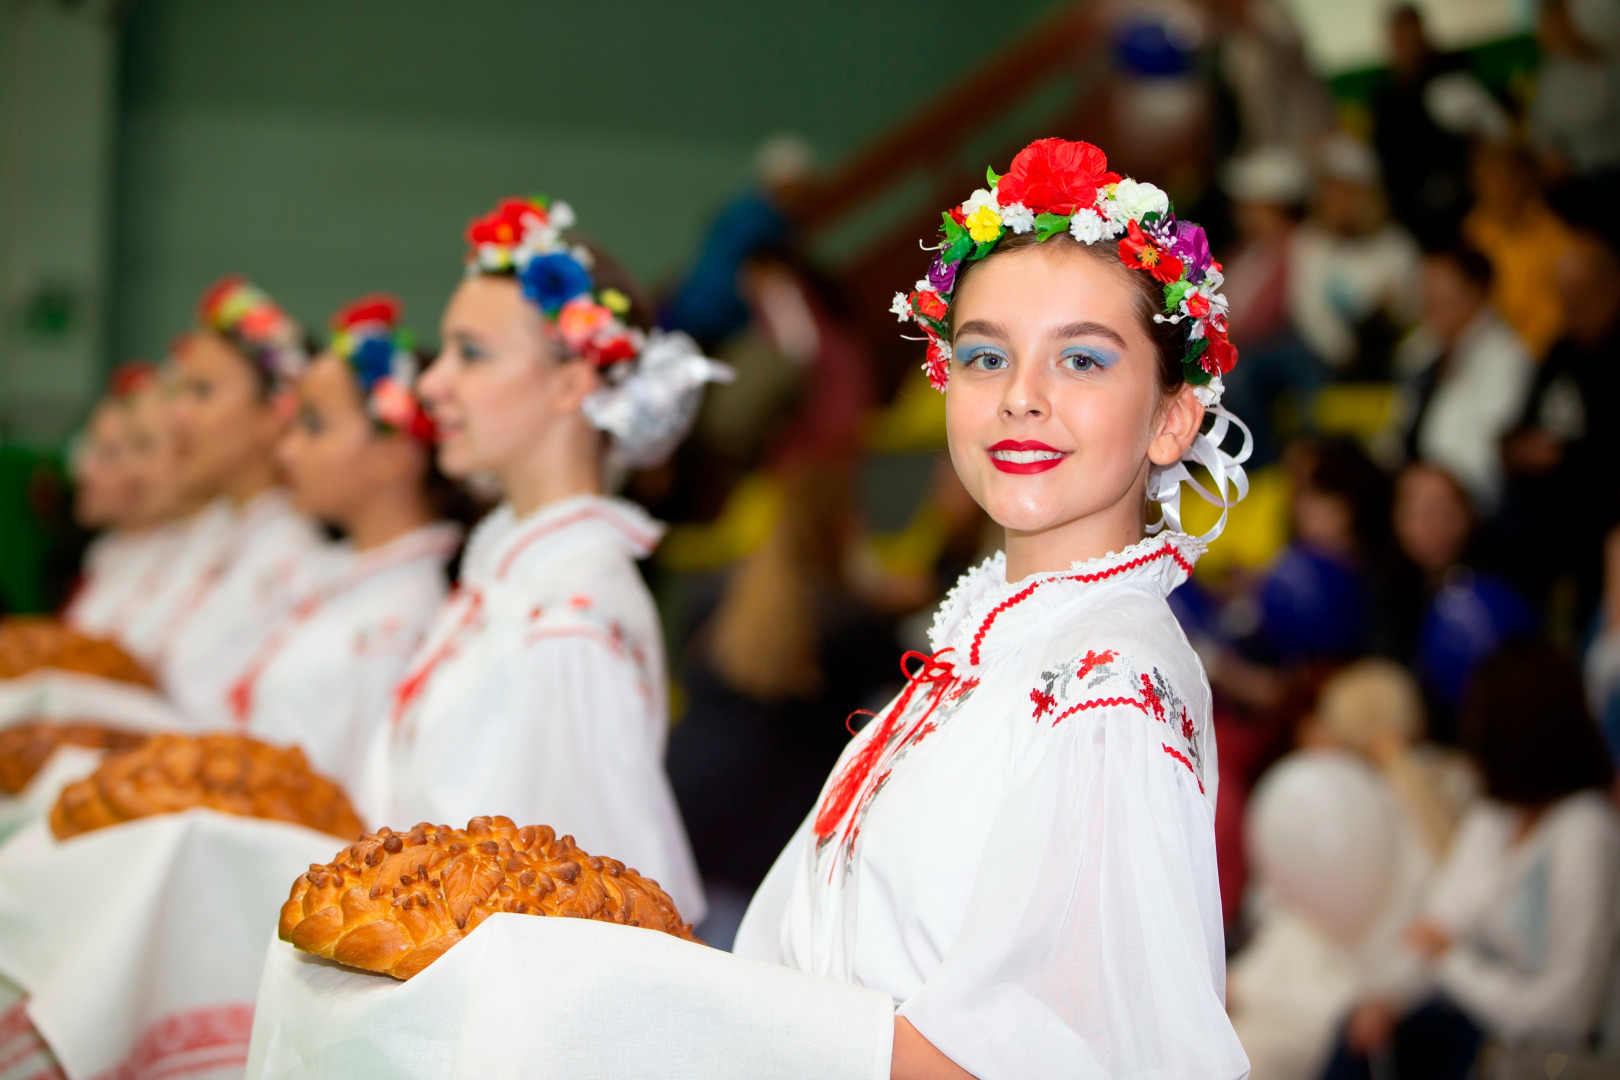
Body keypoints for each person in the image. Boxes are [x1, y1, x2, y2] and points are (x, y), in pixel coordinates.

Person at [734, 138, 1251, 1077]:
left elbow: (1040, 1056)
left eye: (1083, 361)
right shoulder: (1003, 639)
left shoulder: (1108, 685)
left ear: (1172, 417)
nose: (1021, 397)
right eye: (984, 357)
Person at [359, 196, 730, 923]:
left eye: (472, 353)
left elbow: (604, 917)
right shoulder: (513, 588)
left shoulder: (568, 621)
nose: (432, 384)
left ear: (571, 382)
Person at [1325, 640, 1619, 1079]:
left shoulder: (1585, 832)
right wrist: (1387, 995)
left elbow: (1567, 1013)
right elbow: (1434, 925)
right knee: (1355, 1030)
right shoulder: (1496, 816)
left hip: (1546, 1058)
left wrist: (1451, 963)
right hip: (1481, 1028)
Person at [223, 296, 462, 791]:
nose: (287, 449)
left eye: (313, 425)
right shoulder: (338, 577)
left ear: (393, 455)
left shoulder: (397, 627)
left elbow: (366, 816)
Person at [145, 277, 326, 726]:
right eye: (178, 392)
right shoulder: (221, 533)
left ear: (273, 414)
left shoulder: (295, 561)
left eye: (201, 392)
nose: (177, 415)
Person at [1393, 245, 1532, 514]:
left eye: (1439, 290)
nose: (1428, 299)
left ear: (1476, 292)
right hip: (1413, 488)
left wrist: (1423, 488)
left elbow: (1483, 459)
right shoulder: (1419, 347)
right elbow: (1399, 425)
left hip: (1469, 503)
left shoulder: (1508, 359)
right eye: (1424, 288)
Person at [1287, 135, 1420, 379]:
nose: (1339, 203)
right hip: (1327, 359)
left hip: (1390, 357)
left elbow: (1412, 311)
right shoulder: (1310, 242)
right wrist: (1347, 356)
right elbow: (1310, 313)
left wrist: (1394, 307)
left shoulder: (1397, 246)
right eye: (1332, 192)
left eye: (1348, 193)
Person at [1461, 141, 1578, 361]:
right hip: (1487, 354)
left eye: (1502, 174)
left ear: (1524, 176)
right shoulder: (1471, 232)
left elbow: (1561, 321)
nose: (1494, 186)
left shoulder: (1557, 232)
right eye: (1484, 177)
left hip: (1543, 356)